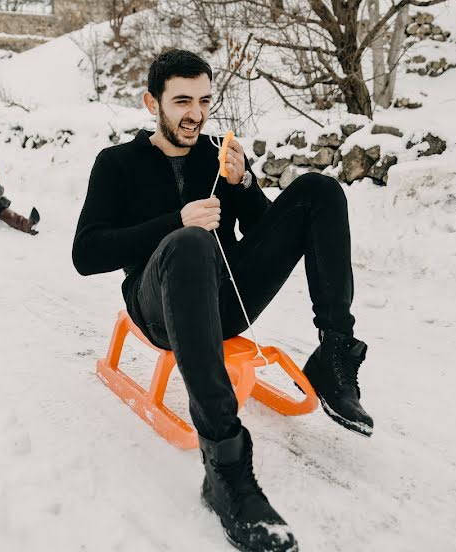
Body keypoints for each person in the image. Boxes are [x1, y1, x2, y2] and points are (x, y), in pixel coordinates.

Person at [72, 50, 372, 552]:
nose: (195, 113)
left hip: (229, 298)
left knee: (319, 190)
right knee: (190, 242)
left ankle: (334, 354)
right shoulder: (117, 163)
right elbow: (86, 254)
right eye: (182, 100)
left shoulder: (218, 151)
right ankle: (226, 466)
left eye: (204, 100)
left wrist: (245, 184)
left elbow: (265, 234)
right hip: (159, 306)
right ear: (153, 102)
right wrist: (176, 222)